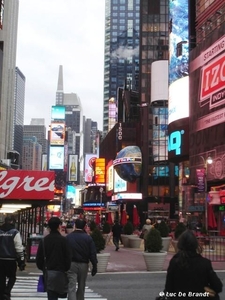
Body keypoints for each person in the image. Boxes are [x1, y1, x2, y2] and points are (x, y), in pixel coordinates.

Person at [165, 230, 223, 300]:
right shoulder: (205, 263)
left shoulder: (174, 262)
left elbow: (168, 289)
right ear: (195, 245)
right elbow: (218, 287)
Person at [36, 217, 71, 300]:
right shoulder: (64, 240)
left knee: (51, 295)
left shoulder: (44, 241)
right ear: (59, 226)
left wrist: (43, 268)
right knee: (61, 293)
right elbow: (68, 256)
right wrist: (66, 268)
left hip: (48, 271)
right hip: (61, 271)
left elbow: (39, 258)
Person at [66, 218, 98, 300]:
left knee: (71, 286)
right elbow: (92, 253)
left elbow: (64, 251)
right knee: (81, 285)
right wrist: (94, 265)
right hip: (83, 264)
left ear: (75, 225)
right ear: (84, 227)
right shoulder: (88, 238)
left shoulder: (68, 237)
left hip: (71, 263)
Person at [0, 216, 25, 300]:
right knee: (12, 277)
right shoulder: (15, 232)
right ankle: (7, 291)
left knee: (1, 277)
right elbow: (18, 247)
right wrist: (21, 260)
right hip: (11, 259)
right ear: (12, 222)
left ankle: (2, 293)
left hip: (0, 259)